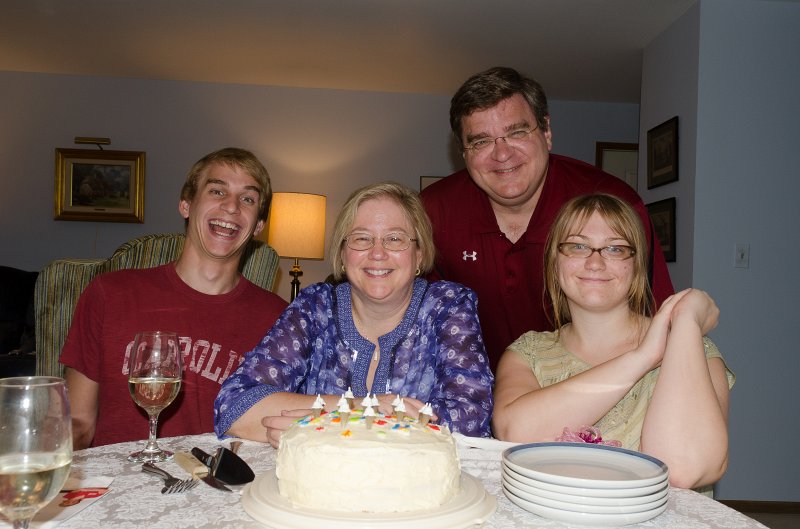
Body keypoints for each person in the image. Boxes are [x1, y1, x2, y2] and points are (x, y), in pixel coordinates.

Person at [421, 66, 675, 372]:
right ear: (463, 152)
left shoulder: (612, 202)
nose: (502, 154)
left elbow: (656, 316)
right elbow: (413, 316)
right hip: (471, 395)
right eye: (481, 141)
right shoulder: (433, 211)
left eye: (516, 132)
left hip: (592, 392)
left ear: (547, 132)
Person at [214, 182, 494, 446]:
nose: (377, 253)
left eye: (395, 239)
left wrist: (321, 424)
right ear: (343, 253)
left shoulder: (449, 305)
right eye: (362, 239)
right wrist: (362, 408)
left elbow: (470, 423)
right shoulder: (315, 306)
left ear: (419, 254)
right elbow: (234, 408)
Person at [492, 194, 734, 490]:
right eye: (578, 246)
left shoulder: (693, 350)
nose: (595, 262)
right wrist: (644, 357)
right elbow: (515, 433)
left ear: (637, 266)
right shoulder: (527, 354)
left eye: (615, 248)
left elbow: (685, 470)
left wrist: (686, 321)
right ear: (555, 261)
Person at [61, 147, 288, 449]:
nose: (232, 206)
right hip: (120, 488)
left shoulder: (282, 320)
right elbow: (78, 423)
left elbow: (278, 429)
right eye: (217, 191)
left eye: (248, 199)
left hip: (221, 490)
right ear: (186, 205)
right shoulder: (109, 294)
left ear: (258, 226)